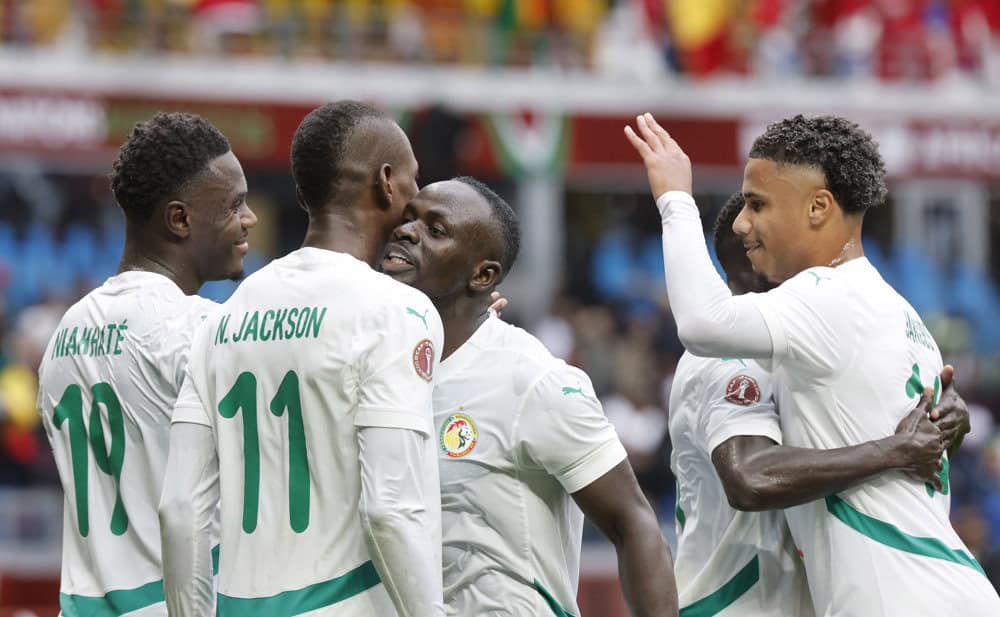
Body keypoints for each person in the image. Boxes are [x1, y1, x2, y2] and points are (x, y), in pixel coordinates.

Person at [625, 113, 1000, 615]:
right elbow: (916, 434)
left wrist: (674, 201)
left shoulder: (821, 298)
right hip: (947, 579)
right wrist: (925, 433)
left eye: (757, 205)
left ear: (818, 207)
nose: (741, 223)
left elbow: (700, 322)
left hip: (894, 595)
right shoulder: (901, 314)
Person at [159, 100, 445, 617]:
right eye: (413, 179)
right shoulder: (395, 310)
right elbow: (391, 511)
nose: (415, 198)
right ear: (385, 181)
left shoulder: (222, 319)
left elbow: (181, 511)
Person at [381, 177, 679, 617]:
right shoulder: (382, 374)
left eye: (436, 229)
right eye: (407, 220)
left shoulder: (532, 380)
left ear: (483, 275)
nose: (406, 232)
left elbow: (633, 522)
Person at [670, 193, 971, 616]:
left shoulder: (813, 346)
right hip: (736, 605)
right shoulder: (731, 358)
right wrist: (893, 451)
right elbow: (749, 478)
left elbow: (904, 446)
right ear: (748, 263)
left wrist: (943, 421)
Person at [36, 112, 258, 617]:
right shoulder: (200, 327)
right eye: (234, 205)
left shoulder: (64, 335)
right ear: (179, 220)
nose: (250, 219)